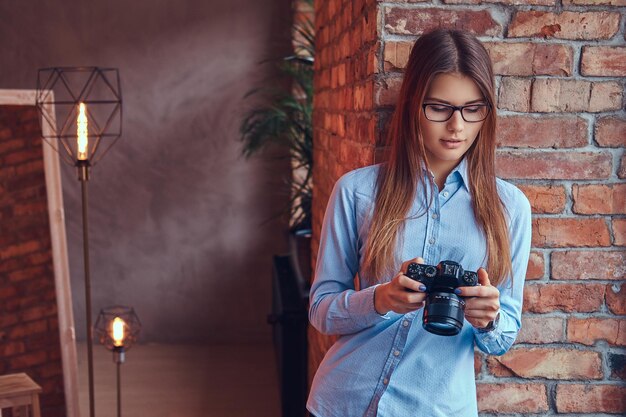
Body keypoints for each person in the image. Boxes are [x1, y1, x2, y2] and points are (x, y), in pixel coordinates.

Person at [306, 28, 532, 417]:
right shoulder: (357, 192)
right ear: (414, 104)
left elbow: (502, 339)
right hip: (343, 400)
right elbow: (321, 310)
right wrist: (380, 299)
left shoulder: (509, 207)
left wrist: (489, 319)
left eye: (473, 108)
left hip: (438, 407)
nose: (457, 126)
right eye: (439, 108)